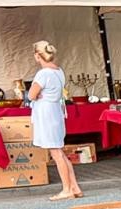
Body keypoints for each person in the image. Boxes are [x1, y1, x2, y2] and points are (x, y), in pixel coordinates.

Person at [26, 41, 83, 200]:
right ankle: (74, 186)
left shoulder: (43, 74)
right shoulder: (59, 71)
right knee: (60, 152)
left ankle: (67, 189)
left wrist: (37, 95)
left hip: (46, 113)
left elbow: (31, 95)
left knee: (56, 153)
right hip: (56, 111)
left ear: (37, 56)